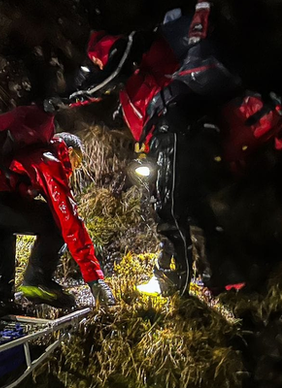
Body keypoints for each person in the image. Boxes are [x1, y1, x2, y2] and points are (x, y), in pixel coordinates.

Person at [54, 3, 242, 295]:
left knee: (167, 204)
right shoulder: (149, 67)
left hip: (174, 125)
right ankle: (223, 276)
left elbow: (112, 71)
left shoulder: (134, 43)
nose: (97, 62)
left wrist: (72, 94)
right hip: (193, 128)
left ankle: (170, 282)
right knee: (195, 207)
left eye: (96, 58)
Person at [0, 107, 114, 340]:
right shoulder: (49, 155)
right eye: (76, 161)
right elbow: (68, 219)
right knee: (55, 220)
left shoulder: (26, 157)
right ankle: (37, 280)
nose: (75, 169)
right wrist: (95, 279)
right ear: (68, 150)